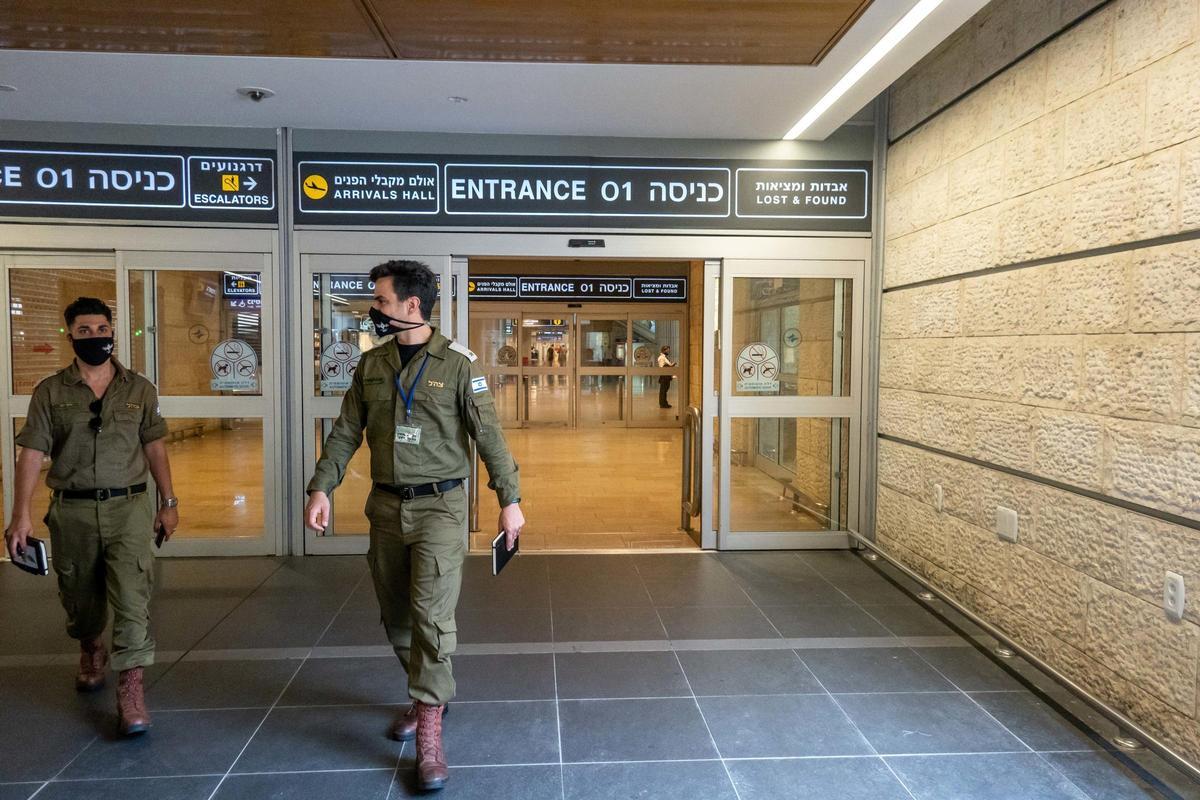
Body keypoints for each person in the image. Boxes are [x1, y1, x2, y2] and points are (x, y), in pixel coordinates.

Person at [304, 260, 523, 792]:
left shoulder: (457, 364)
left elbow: (488, 436)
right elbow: (345, 431)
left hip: (441, 509)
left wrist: (510, 499)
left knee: (430, 615)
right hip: (385, 509)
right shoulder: (372, 366)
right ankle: (429, 692)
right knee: (397, 614)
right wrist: (321, 486)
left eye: (380, 301)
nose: (373, 310)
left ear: (411, 306)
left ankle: (429, 728)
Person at [4, 297, 178, 736]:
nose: (96, 337)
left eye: (102, 328)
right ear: (70, 336)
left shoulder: (139, 389)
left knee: (133, 598)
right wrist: (19, 515)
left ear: (112, 331)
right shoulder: (51, 391)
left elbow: (155, 445)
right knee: (80, 598)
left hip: (130, 509)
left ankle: (132, 689)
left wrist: (169, 502)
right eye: (85, 331)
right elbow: (31, 454)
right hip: (73, 511)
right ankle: (90, 647)